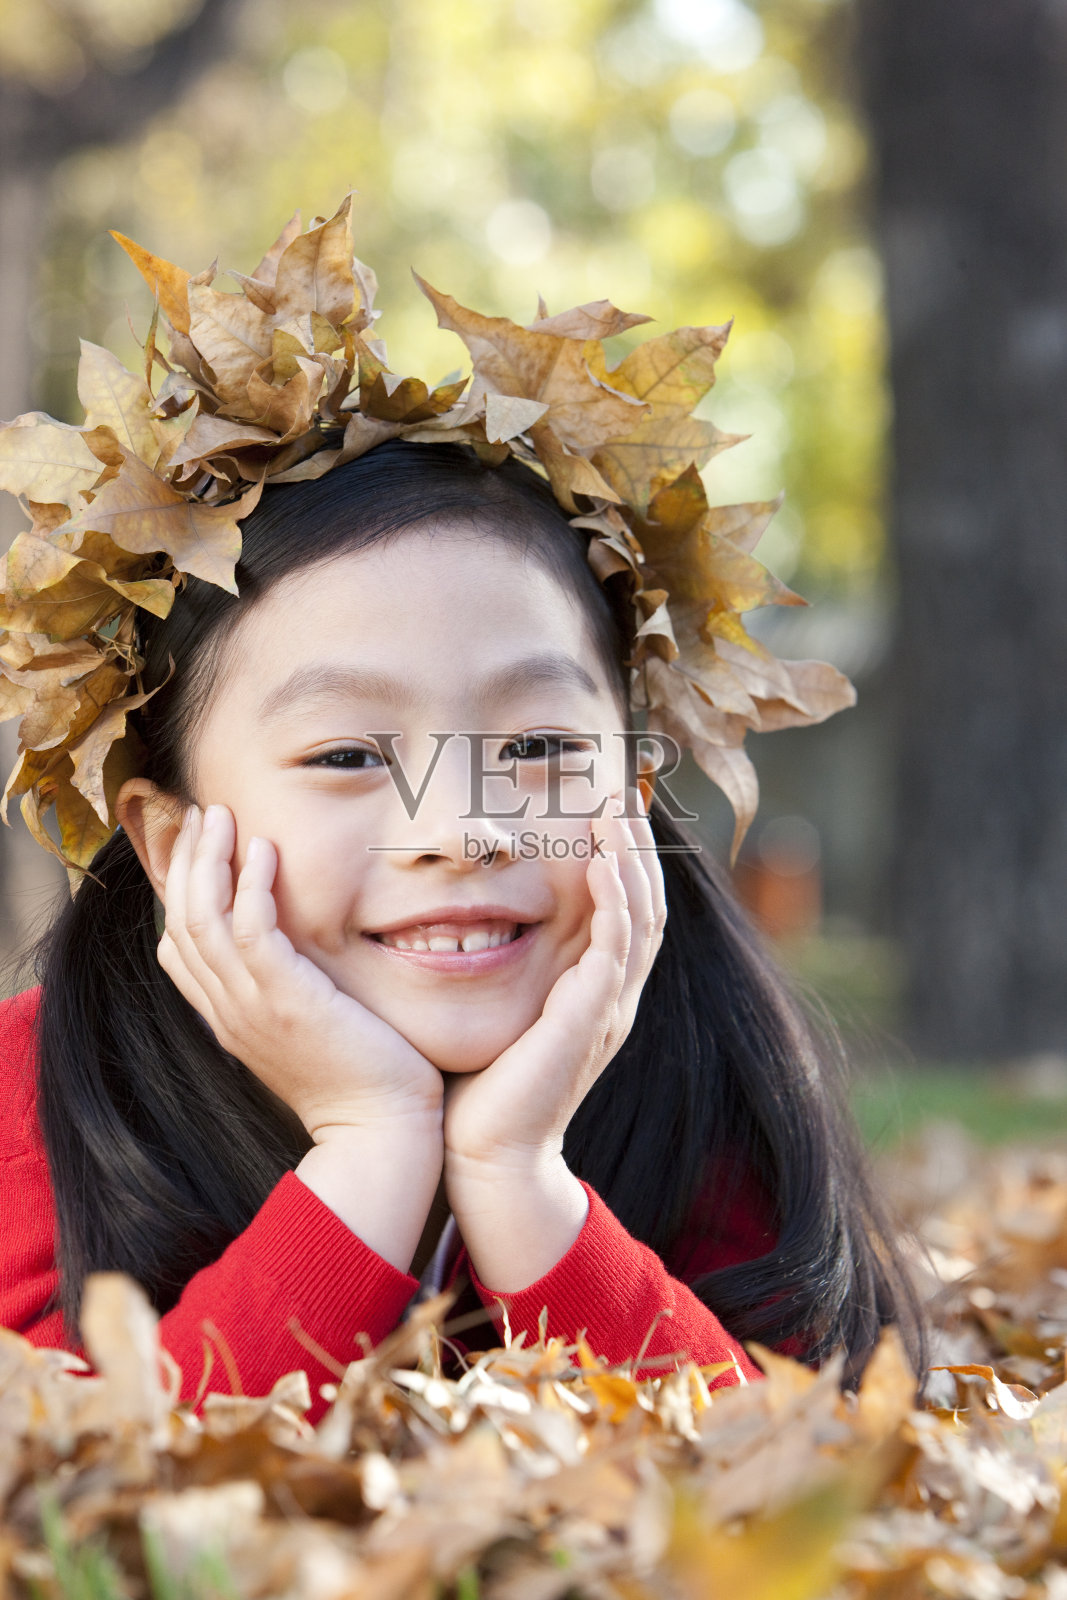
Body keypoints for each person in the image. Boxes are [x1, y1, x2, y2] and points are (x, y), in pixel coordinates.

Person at [0, 201, 925, 1425]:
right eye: (345, 752)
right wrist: (368, 1147)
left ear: (631, 795)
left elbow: (800, 1466)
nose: (462, 827)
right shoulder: (44, 1089)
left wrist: (520, 1186)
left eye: (539, 744)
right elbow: (76, 1482)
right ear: (173, 841)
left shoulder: (701, 1066)